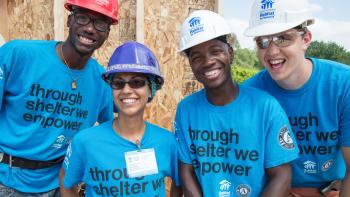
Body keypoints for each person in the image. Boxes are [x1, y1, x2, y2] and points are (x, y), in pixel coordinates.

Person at [175, 10, 299, 197]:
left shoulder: (265, 107)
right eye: (197, 57)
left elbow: (281, 175)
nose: (208, 61)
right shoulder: (186, 110)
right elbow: (186, 170)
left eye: (216, 51)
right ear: (191, 65)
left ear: (230, 54)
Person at [0, 0, 118, 195]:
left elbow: (116, 127)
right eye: (82, 18)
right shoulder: (18, 55)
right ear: (69, 20)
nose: (90, 28)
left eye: (100, 23)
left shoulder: (101, 81)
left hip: (60, 185)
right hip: (7, 181)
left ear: (107, 33)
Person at [244, 0, 350, 196]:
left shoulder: (343, 85)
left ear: (306, 39)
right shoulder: (249, 94)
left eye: (283, 38)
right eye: (263, 41)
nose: (272, 51)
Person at [60, 41, 181, 197]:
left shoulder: (167, 142)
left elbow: (179, 183)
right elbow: (66, 180)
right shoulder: (85, 142)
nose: (126, 90)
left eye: (136, 82)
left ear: (151, 90)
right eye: (118, 83)